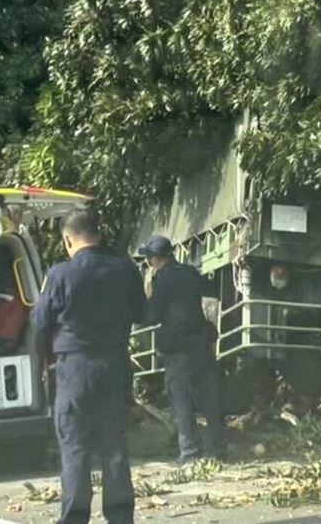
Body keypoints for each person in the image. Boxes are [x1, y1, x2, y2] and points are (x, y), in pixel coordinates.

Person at [32, 209, 145, 524]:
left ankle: (74, 519)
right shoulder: (125, 270)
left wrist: (44, 361)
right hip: (114, 364)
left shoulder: (59, 275)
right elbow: (141, 313)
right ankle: (121, 518)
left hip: (75, 370)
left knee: (76, 448)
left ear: (67, 239)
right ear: (98, 233)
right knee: (114, 447)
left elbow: (40, 325)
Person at [139, 235, 225, 463]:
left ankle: (189, 453)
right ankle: (218, 448)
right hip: (201, 342)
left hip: (178, 347)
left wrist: (147, 301)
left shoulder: (161, 280)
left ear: (155, 259)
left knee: (180, 399)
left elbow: (153, 315)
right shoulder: (190, 272)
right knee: (208, 396)